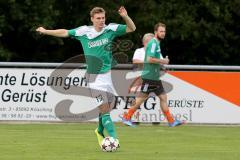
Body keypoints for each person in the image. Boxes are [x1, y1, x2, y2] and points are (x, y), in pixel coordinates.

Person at [36, 6, 136, 147]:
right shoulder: (84, 31)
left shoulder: (110, 30)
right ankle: (114, 139)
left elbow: (132, 28)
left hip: (107, 76)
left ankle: (99, 130)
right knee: (104, 109)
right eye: (98, 18)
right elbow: (64, 32)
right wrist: (46, 31)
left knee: (107, 107)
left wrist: (125, 16)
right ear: (92, 19)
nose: (101, 21)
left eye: (103, 18)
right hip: (94, 78)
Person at [122, 22, 183, 127]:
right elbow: (149, 59)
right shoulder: (153, 43)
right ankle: (126, 117)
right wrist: (163, 61)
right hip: (150, 77)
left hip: (153, 77)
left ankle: (171, 121)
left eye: (164, 31)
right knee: (141, 99)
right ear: (156, 32)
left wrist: (162, 61)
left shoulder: (156, 43)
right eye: (161, 31)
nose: (163, 33)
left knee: (163, 98)